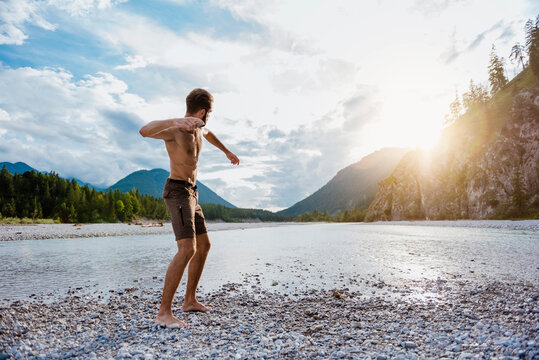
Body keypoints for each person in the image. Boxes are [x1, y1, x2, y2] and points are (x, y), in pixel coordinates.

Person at [139, 88, 239, 328]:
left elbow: (210, 134)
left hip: (193, 193)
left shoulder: (199, 128)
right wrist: (175, 120)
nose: (207, 120)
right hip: (177, 191)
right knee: (187, 249)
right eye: (209, 114)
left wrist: (226, 151)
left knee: (203, 245)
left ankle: (190, 300)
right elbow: (144, 131)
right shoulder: (176, 129)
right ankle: (164, 312)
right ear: (204, 111)